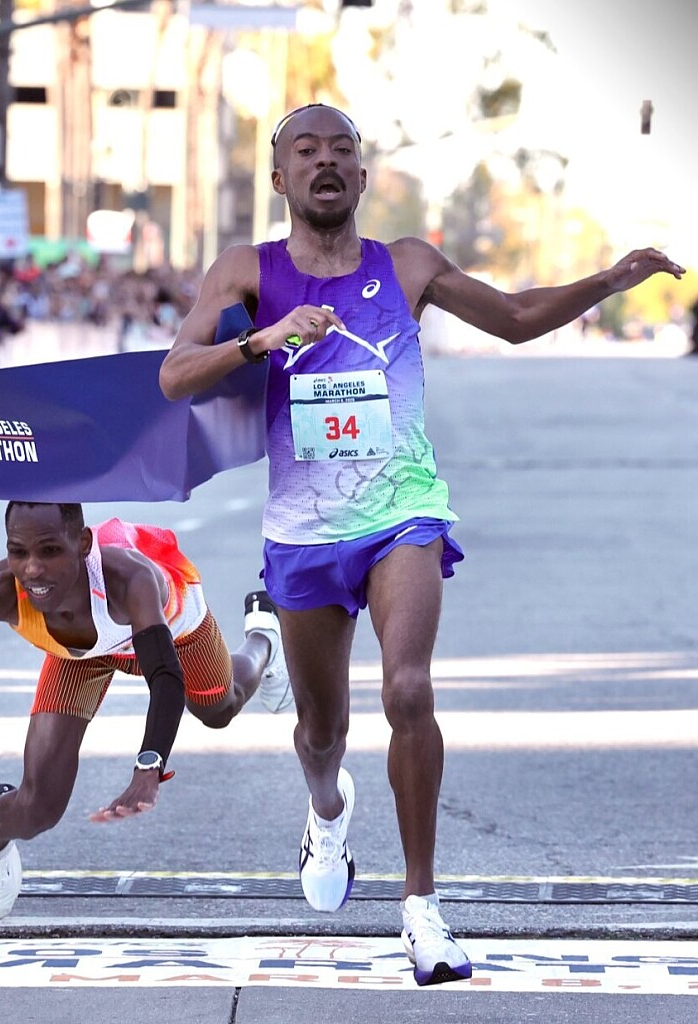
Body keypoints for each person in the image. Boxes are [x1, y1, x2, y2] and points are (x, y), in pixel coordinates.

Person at [158, 103, 687, 986]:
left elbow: (514, 316)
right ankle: (327, 812)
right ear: (280, 178)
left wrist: (608, 280)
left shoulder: (406, 264)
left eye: (342, 150)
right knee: (321, 732)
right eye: (305, 151)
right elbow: (175, 375)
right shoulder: (246, 271)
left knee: (408, 688)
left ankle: (421, 906)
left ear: (363, 176)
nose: (326, 162)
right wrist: (264, 339)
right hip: (304, 532)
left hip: (402, 511)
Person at [0, 502, 292, 919]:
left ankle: (263, 637)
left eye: (50, 551)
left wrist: (148, 766)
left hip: (173, 637)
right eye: (18, 552)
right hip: (78, 656)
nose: (32, 569)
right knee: (41, 806)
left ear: (82, 544)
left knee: (219, 709)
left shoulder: (129, 579)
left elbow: (164, 677)